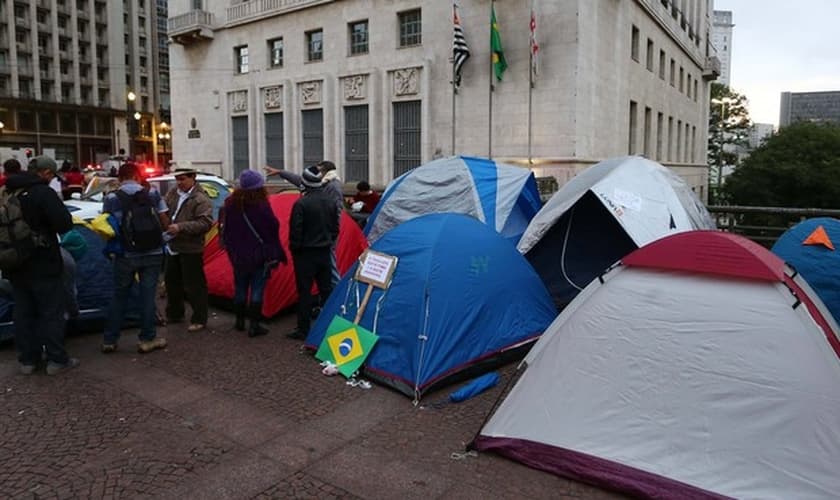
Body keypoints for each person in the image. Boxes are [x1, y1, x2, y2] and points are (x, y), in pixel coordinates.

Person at [3, 156, 75, 375]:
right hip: (43, 261)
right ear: (45, 173)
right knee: (51, 311)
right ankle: (56, 360)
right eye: (51, 175)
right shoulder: (43, 192)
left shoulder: (7, 191)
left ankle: (28, 360)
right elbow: (64, 224)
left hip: (14, 262)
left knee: (23, 312)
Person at [101, 162, 170, 353]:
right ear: (138, 176)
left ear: (120, 178)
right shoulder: (153, 193)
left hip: (125, 253)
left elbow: (107, 225)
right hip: (153, 252)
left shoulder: (112, 197)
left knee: (119, 295)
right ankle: (148, 338)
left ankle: (110, 339)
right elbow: (164, 219)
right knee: (147, 296)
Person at [220, 170, 286, 337]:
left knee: (240, 287)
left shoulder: (230, 204)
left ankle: (240, 322)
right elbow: (273, 226)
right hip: (258, 255)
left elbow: (226, 230)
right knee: (257, 289)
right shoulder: (261, 205)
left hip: (237, 255)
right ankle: (254, 326)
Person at [265, 160, 343, 286]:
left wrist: (331, 235)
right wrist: (281, 172)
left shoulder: (333, 186)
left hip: (324, 234)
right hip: (321, 234)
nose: (316, 173)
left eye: (319, 170)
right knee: (324, 267)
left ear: (325, 172)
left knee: (329, 267)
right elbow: (300, 181)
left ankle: (337, 295)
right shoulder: (322, 183)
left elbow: (336, 212)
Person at [286, 166, 339, 340]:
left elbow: (296, 231)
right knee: (326, 290)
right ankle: (330, 326)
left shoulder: (301, 203)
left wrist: (296, 249)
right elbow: (335, 228)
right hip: (324, 251)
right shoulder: (330, 201)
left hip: (305, 254)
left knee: (305, 292)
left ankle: (303, 329)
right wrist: (328, 242)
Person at [164, 168, 213, 331]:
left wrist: (180, 227)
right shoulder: (172, 193)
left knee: (194, 285)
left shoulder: (200, 198)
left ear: (193, 178)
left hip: (191, 247)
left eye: (183, 179)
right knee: (172, 282)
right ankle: (175, 314)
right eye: (177, 179)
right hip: (172, 245)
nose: (179, 182)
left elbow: (205, 223)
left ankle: (199, 318)